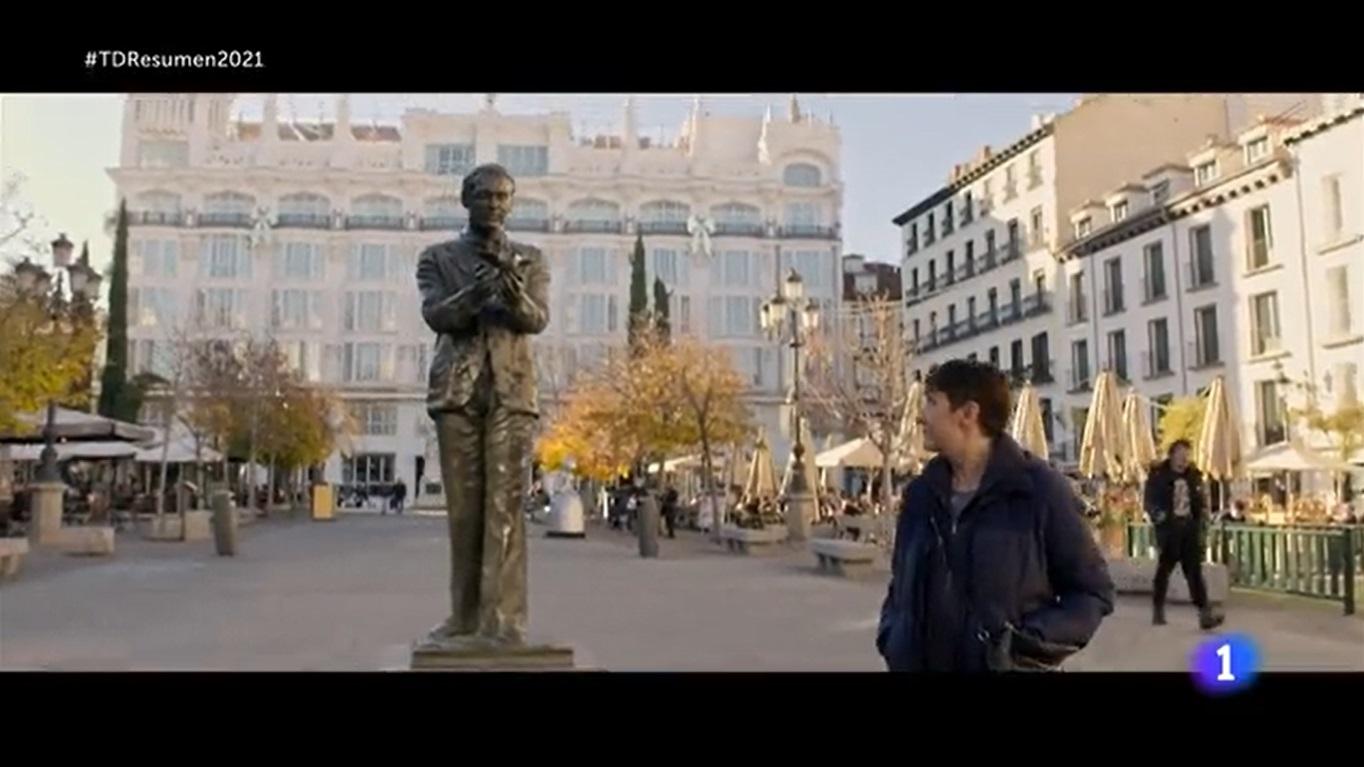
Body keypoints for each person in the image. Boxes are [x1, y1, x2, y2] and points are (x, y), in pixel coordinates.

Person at [877, 359, 1115, 672]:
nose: (923, 416)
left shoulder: (1038, 491)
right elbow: (901, 584)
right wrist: (894, 635)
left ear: (967, 414)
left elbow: (1092, 592)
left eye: (933, 402)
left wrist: (1023, 646)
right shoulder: (921, 495)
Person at [417, 162, 550, 646]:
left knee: (506, 507)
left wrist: (515, 300)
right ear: (465, 200)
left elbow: (537, 320)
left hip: (513, 392)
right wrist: (475, 293)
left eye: (502, 197)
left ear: (511, 203)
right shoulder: (438, 258)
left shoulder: (531, 259)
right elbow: (437, 314)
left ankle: (505, 621)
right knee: (465, 512)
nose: (494, 205)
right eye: (485, 196)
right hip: (457, 392)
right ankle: (464, 616)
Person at [1143, 440, 1225, 630]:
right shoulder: (1158, 475)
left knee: (1194, 572)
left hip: (1189, 528)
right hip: (1169, 529)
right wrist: (1157, 515)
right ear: (1172, 455)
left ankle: (1204, 613)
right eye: (1180, 455)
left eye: (1187, 455)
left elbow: (1200, 502)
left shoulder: (1194, 476)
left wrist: (1202, 520)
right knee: (1164, 571)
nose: (1184, 460)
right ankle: (1158, 609)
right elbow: (1149, 501)